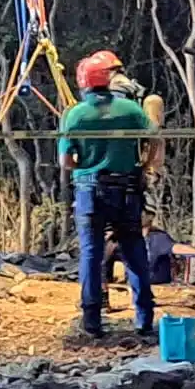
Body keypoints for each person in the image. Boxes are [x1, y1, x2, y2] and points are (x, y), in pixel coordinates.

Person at [60, 50, 156, 338]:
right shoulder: (132, 110)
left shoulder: (75, 114)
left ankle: (92, 322)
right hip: (127, 189)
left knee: (91, 254)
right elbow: (155, 140)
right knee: (134, 251)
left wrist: (85, 165)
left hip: (91, 189)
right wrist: (145, 166)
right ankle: (144, 320)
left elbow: (65, 162)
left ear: (84, 82)